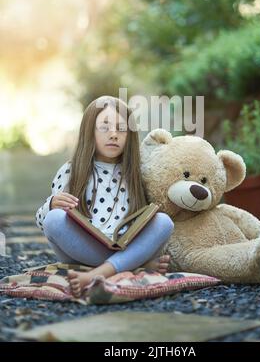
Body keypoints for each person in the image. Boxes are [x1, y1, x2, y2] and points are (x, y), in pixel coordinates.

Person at [35, 96, 174, 297]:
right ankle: (133, 265)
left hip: (125, 245)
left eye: (121, 129)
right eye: (104, 127)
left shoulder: (136, 174)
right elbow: (42, 223)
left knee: (164, 222)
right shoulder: (70, 171)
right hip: (84, 250)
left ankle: (99, 273)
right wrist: (51, 205)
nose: (114, 134)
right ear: (89, 131)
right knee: (53, 220)